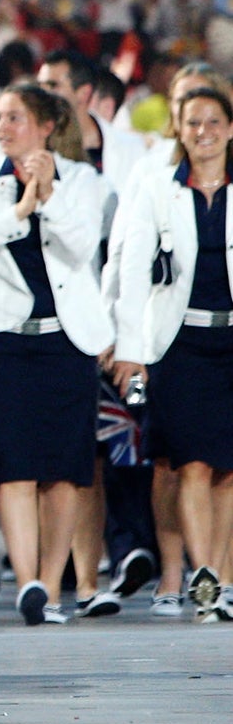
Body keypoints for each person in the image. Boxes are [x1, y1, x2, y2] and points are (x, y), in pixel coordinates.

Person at [0, 83, 112, 626]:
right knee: (15, 465)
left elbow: (81, 245)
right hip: (2, 338)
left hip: (66, 340)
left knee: (65, 471)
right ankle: (27, 582)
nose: (3, 127)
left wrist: (47, 197)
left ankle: (51, 586)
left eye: (15, 117)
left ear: (46, 126)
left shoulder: (83, 179)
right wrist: (20, 207)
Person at [112, 80, 233, 621]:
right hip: (178, 344)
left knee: (229, 469)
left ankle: (223, 579)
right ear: (178, 131)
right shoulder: (158, 189)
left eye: (213, 121)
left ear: (230, 128)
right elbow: (133, 271)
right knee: (191, 464)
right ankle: (199, 578)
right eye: (192, 123)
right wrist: (130, 349)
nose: (203, 132)